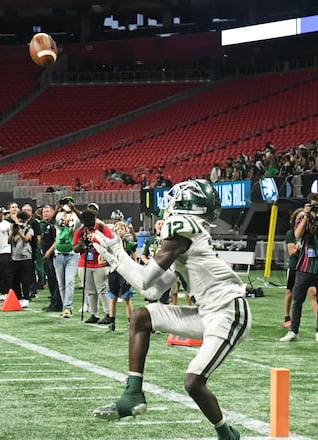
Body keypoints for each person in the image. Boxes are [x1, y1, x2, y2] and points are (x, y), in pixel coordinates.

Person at [91, 179, 250, 440]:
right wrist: (116, 259)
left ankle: (226, 434)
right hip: (206, 313)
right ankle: (133, 392)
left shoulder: (182, 229)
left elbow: (144, 281)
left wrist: (118, 254)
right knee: (141, 316)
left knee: (193, 382)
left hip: (229, 311)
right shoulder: (189, 237)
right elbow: (151, 292)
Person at [280, 192, 318, 343]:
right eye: (314, 205)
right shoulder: (302, 218)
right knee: (297, 300)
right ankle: (294, 331)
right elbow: (297, 235)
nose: (316, 208)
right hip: (304, 266)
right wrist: (306, 216)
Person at [73, 204, 113, 324]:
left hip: (100, 262)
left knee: (102, 289)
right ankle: (94, 314)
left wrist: (98, 243)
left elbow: (110, 243)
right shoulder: (80, 231)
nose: (88, 226)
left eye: (90, 223)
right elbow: (74, 248)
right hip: (84, 262)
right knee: (89, 290)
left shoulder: (102, 228)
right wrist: (81, 244)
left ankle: (108, 313)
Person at [99, 221, 137, 330]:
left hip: (125, 272)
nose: (119, 231)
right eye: (117, 229)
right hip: (114, 271)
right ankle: (112, 322)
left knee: (126, 298)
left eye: (121, 229)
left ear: (126, 231)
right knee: (113, 297)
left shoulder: (128, 243)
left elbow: (134, 259)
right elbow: (103, 259)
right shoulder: (111, 244)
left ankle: (131, 323)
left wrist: (132, 274)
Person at [53, 196, 81, 318]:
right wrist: (56, 209)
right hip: (59, 252)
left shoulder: (76, 216)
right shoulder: (59, 215)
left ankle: (68, 307)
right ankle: (66, 307)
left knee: (69, 281)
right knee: (61, 283)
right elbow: (50, 221)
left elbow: (83, 220)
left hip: (72, 253)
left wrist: (74, 209)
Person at [10, 210, 35, 308]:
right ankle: (18, 298)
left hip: (25, 257)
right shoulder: (14, 228)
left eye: (22, 220)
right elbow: (9, 241)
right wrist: (13, 232)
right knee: (15, 280)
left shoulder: (29, 229)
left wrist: (19, 232)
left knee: (25, 279)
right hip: (15, 258)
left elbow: (26, 239)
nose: (20, 222)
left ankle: (26, 298)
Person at [40, 204, 62, 312]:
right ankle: (53, 302)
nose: (45, 213)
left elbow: (56, 240)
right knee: (51, 280)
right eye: (44, 212)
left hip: (54, 256)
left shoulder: (54, 225)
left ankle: (57, 303)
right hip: (47, 257)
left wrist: (49, 252)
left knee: (55, 280)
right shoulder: (46, 225)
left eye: (48, 211)